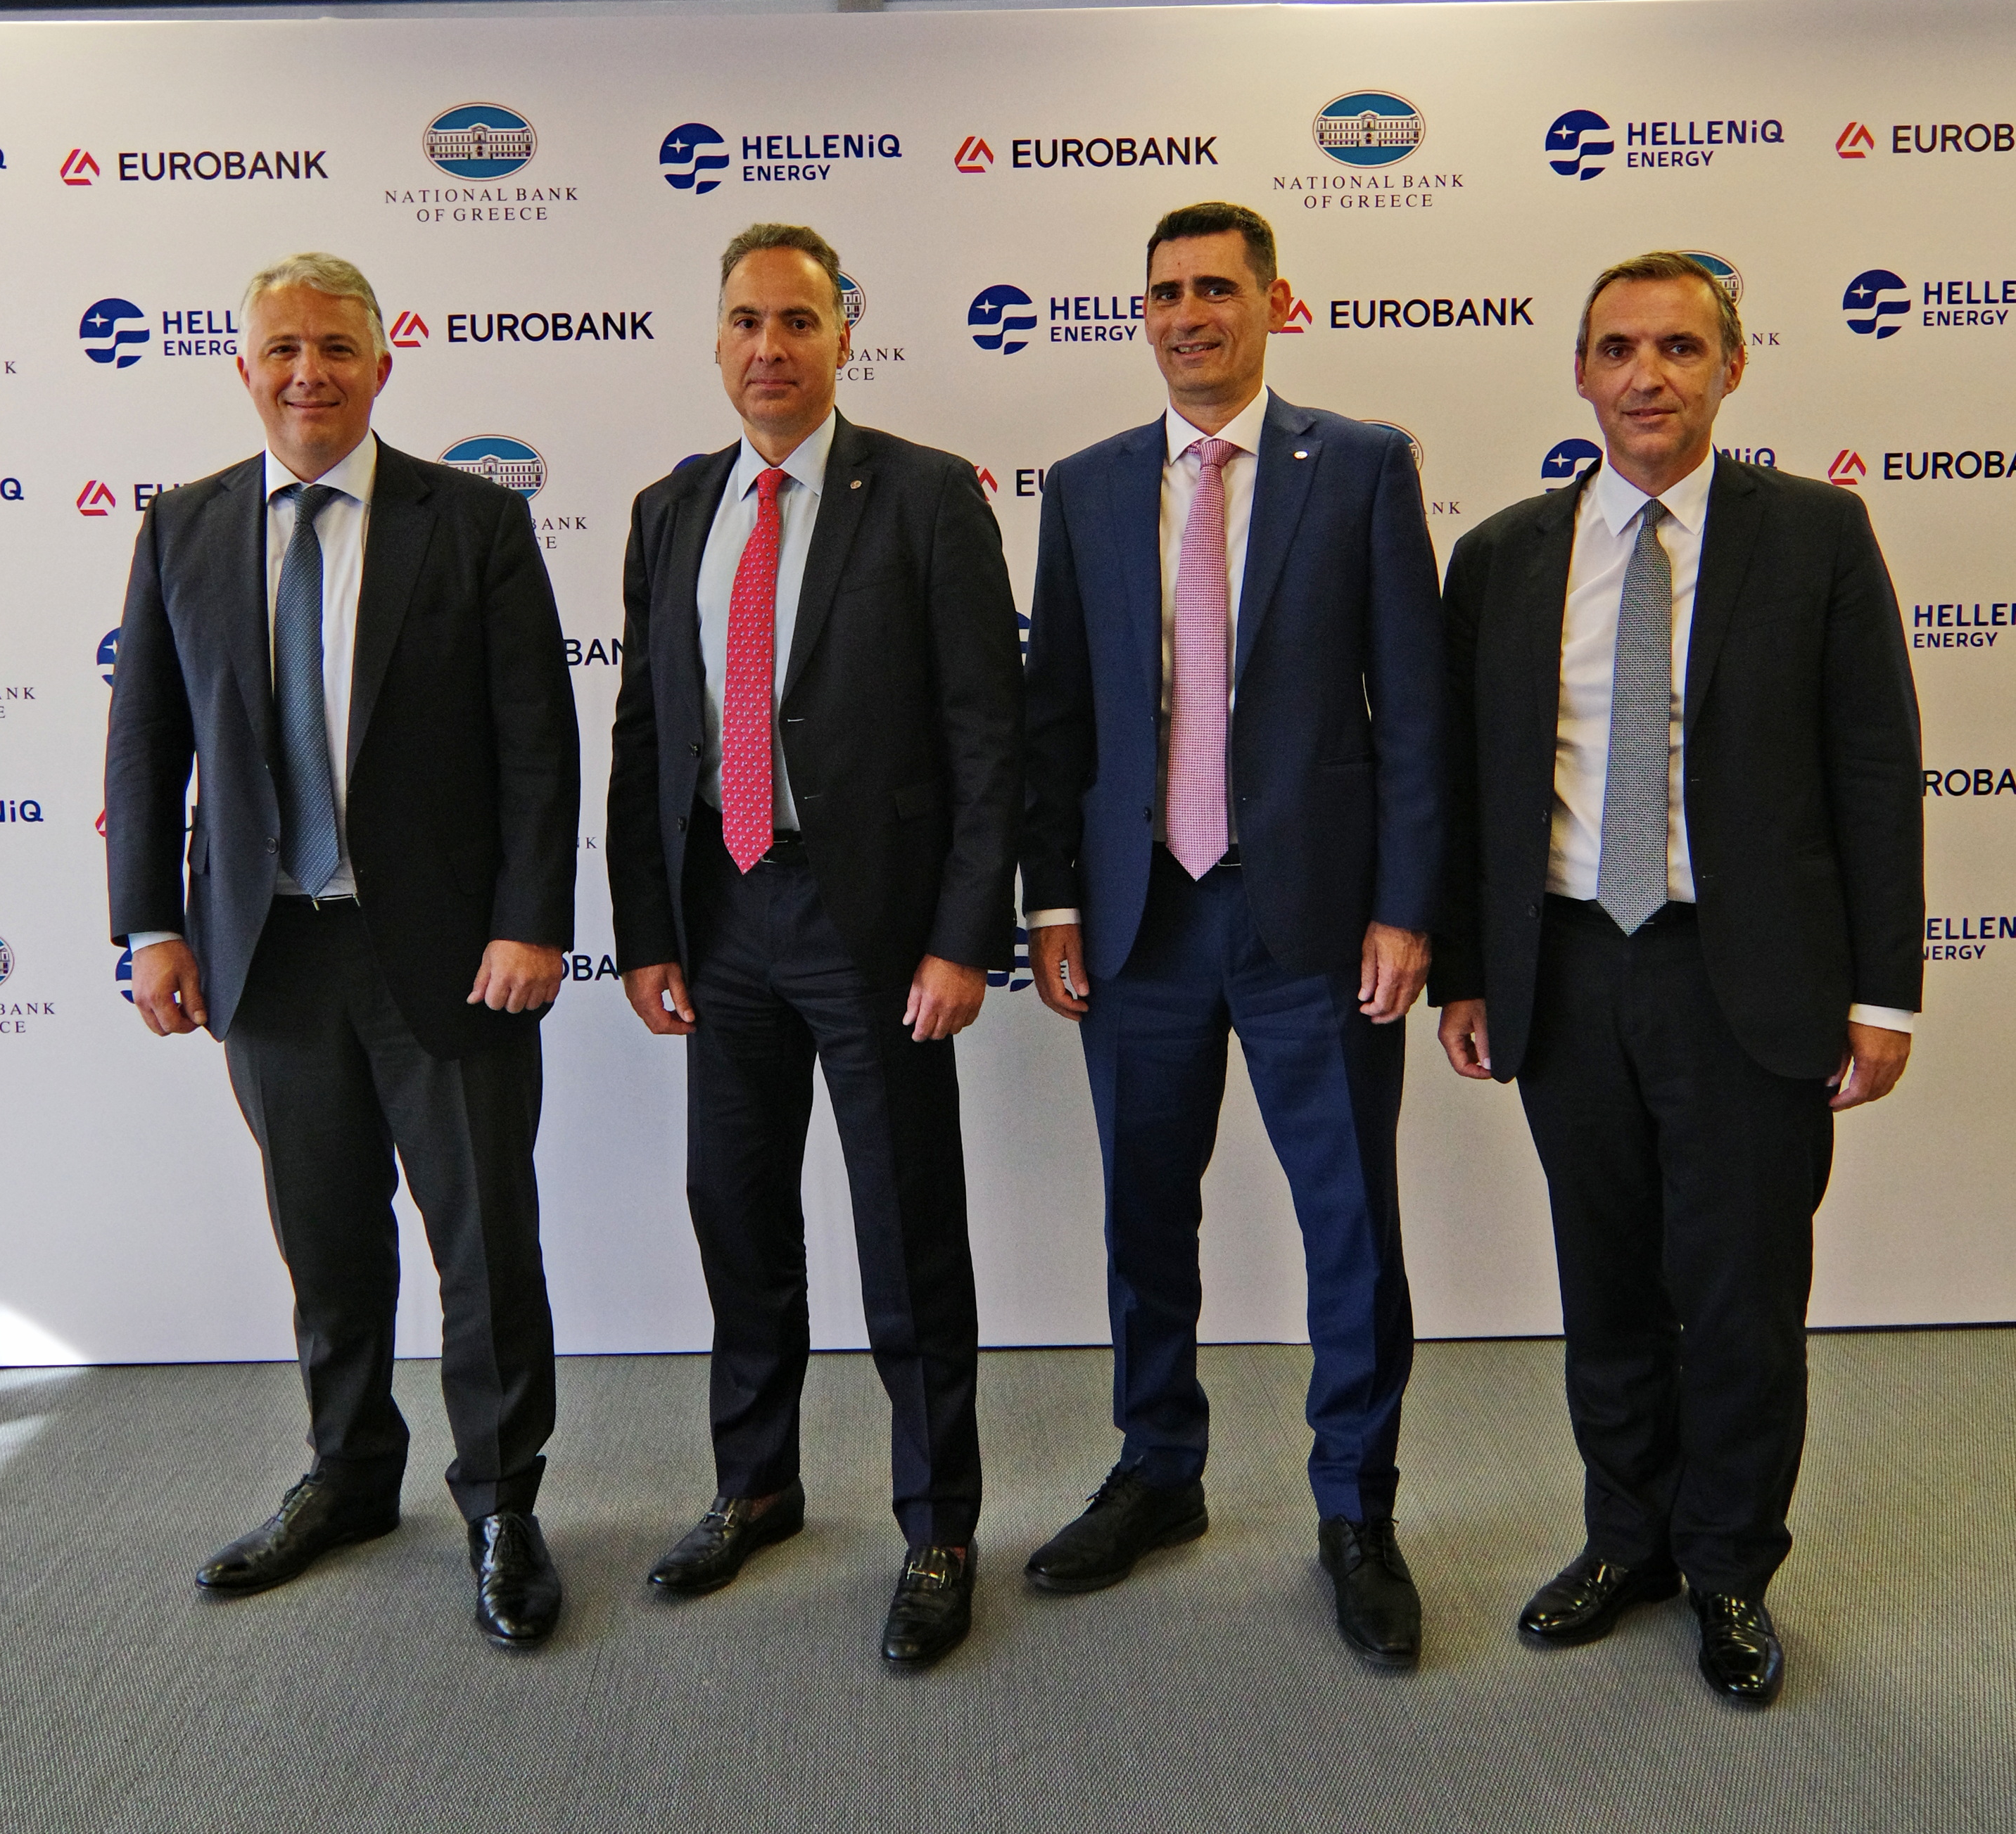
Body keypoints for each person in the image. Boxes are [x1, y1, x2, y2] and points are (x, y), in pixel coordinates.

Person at [1432, 251, 1922, 1707]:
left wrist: (1882, 992)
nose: (1646, 375)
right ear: (1579, 373)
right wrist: (1466, 969)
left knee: (1740, 1297)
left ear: (1731, 368)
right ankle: (1624, 1540)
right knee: (1605, 1285)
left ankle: (1726, 1568)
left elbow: (1872, 768)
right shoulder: (1501, 555)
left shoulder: (1815, 535)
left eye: (1679, 347)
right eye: (1617, 349)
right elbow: (1466, 787)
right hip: (1567, 968)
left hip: (1746, 979)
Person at [104, 252, 580, 1649]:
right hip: (267, 953)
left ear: (382, 364)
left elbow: (536, 742)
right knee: (323, 1235)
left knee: (483, 1243)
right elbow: (145, 741)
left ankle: (501, 1504)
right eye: (282, 349)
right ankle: (351, 1473)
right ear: (243, 369)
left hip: (450, 952)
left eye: (333, 348)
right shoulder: (183, 525)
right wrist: (152, 923)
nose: (307, 372)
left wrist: (532, 918)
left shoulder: (473, 520)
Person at [1020, 202, 1445, 1669]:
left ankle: (1355, 1510)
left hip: (1310, 923)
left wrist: (1404, 905)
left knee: (1349, 1226)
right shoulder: (1086, 486)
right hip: (1138, 919)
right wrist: (1053, 898)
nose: (1187, 313)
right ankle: (1158, 1469)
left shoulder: (1362, 465)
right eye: (1163, 292)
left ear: (1273, 301)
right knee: (1143, 1216)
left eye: (1215, 288)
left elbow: (1413, 708)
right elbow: (1056, 716)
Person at [607, 223, 1022, 1669]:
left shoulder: (924, 495)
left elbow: (987, 734)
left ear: (845, 334)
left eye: (797, 320)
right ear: (715, 339)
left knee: (906, 1229)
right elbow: (646, 732)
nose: (769, 347)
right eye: (745, 321)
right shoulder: (671, 510)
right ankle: (756, 1484)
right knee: (735, 1211)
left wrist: (963, 936)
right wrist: (644, 929)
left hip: (875, 929)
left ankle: (939, 1524)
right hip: (721, 914)